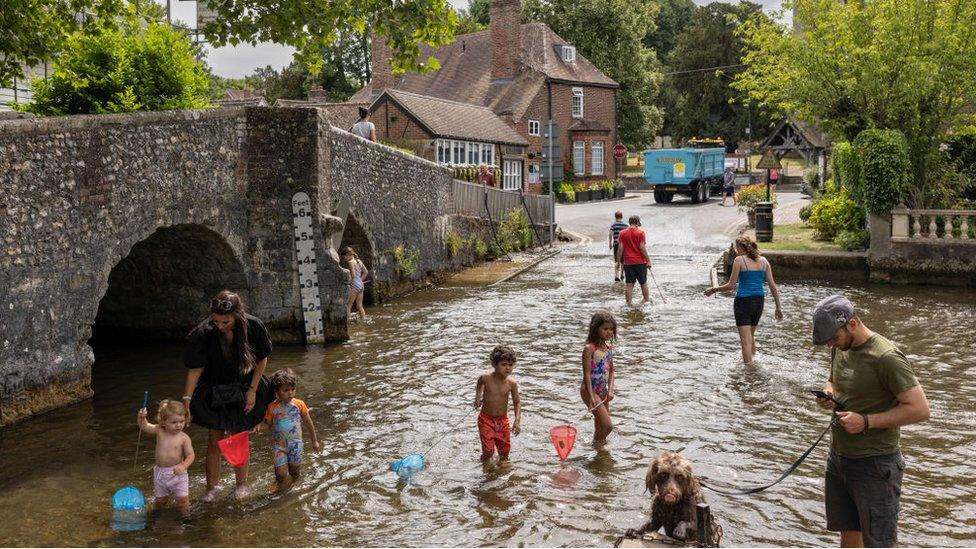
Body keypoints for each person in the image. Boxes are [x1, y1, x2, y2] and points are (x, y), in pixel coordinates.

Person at [811, 295, 929, 548]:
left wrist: (866, 422)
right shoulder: (841, 349)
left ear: (851, 323)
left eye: (834, 338)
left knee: (881, 542)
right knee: (849, 533)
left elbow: (919, 409)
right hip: (840, 459)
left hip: (876, 465)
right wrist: (830, 394)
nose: (830, 345)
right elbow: (832, 380)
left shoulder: (886, 357)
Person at [182, 290, 274, 501]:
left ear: (237, 315)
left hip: (245, 385)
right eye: (216, 322)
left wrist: (252, 390)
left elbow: (262, 359)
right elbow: (195, 368)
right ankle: (211, 488)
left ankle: (241, 484)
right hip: (214, 388)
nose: (220, 326)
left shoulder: (254, 326)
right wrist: (186, 399)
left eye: (225, 322)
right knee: (214, 439)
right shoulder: (205, 331)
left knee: (239, 437)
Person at [704, 235, 783, 365]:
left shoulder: (739, 260)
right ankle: (754, 361)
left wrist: (713, 290)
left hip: (743, 302)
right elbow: (773, 287)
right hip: (759, 301)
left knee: (745, 340)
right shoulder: (764, 261)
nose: (735, 249)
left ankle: (749, 371)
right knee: (751, 336)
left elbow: (730, 285)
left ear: (740, 247)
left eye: (736, 247)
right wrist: (778, 307)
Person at [252, 368, 320, 490]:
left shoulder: (299, 404)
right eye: (286, 390)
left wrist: (314, 441)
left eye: (292, 389)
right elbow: (268, 424)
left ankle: (292, 488)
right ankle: (280, 488)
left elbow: (308, 423)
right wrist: (259, 426)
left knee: (295, 473)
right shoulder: (272, 407)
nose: (290, 393)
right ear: (277, 391)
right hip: (279, 446)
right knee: (280, 474)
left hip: (296, 445)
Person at [137, 399, 195, 514]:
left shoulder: (184, 438)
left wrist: (184, 466)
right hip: (160, 474)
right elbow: (144, 426)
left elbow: (191, 455)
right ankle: (159, 516)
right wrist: (141, 417)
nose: (178, 425)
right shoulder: (160, 430)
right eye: (174, 422)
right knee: (161, 501)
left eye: (182, 421)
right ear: (163, 422)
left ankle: (185, 518)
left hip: (178, 473)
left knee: (183, 500)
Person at [474, 345, 522, 461]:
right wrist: (478, 397)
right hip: (486, 420)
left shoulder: (511, 384)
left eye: (510, 365)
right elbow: (479, 383)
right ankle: (485, 463)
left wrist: (517, 421)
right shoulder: (486, 378)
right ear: (494, 365)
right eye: (504, 364)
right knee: (488, 451)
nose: (507, 368)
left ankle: (502, 470)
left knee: (504, 452)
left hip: (502, 421)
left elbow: (517, 402)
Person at [580, 310, 616, 448]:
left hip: (603, 391)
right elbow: (587, 374)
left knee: (600, 425)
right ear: (596, 329)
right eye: (605, 329)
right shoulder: (589, 348)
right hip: (590, 390)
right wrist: (591, 396)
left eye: (611, 329)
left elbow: (612, 371)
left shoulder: (608, 348)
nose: (609, 332)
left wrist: (610, 390)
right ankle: (594, 446)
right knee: (608, 426)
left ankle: (598, 454)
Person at [616, 215, 653, 305]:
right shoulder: (641, 233)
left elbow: (620, 248)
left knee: (629, 284)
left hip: (628, 263)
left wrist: (618, 262)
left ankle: (629, 303)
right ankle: (646, 301)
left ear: (629, 222)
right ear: (637, 222)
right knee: (643, 283)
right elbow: (642, 247)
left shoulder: (622, 233)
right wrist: (648, 260)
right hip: (640, 262)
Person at [340, 246, 369, 321]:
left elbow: (353, 275)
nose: (344, 259)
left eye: (344, 257)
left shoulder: (350, 262)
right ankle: (363, 320)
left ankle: (348, 322)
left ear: (347, 255)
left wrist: (348, 282)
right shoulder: (359, 261)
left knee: (348, 306)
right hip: (361, 285)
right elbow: (366, 272)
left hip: (354, 286)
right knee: (359, 305)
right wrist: (360, 281)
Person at [609, 211, 629, 282]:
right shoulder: (625, 225)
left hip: (616, 244)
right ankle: (622, 275)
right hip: (624, 245)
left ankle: (616, 275)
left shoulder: (613, 225)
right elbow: (628, 235)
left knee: (617, 260)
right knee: (623, 261)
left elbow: (610, 234)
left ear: (615, 217)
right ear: (622, 216)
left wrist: (610, 243)